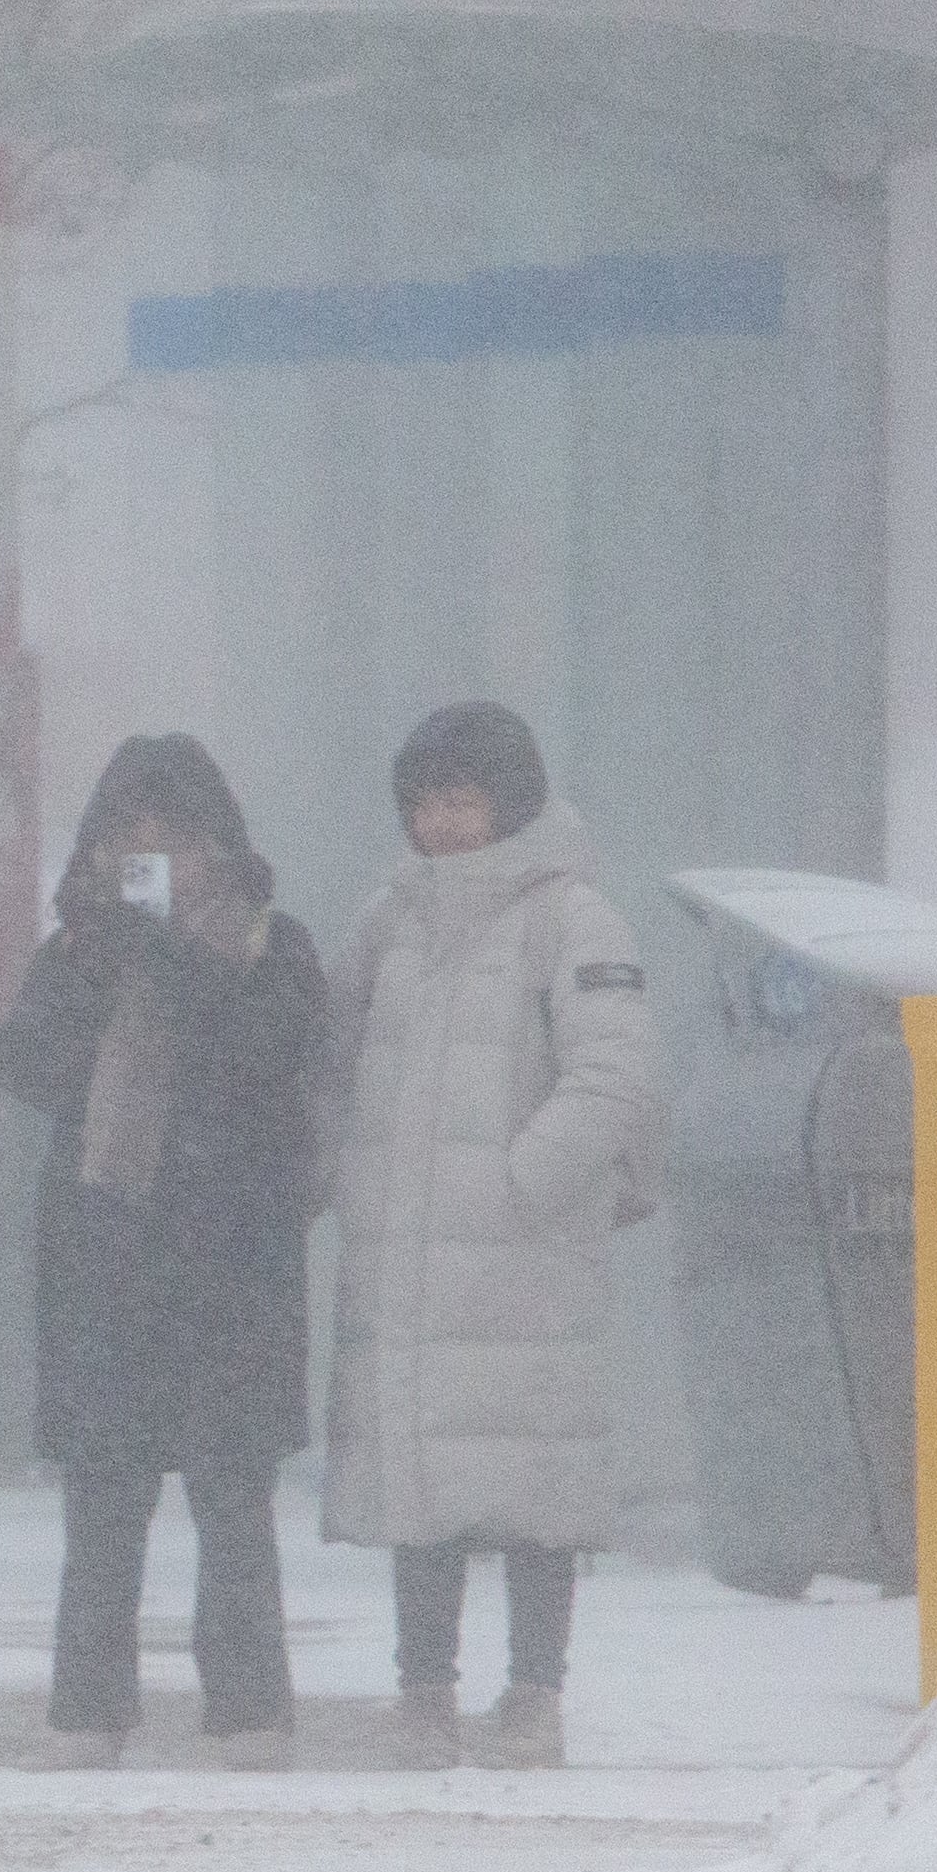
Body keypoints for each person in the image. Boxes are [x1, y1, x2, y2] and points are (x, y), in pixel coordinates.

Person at [322, 701, 666, 1771]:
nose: (441, 822)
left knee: (529, 1491)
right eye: (423, 801)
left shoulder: (572, 918)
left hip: (521, 1259)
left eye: (461, 799)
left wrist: (522, 1182)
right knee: (416, 1482)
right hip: (406, 1255)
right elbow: (329, 1059)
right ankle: (421, 1691)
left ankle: (531, 1693)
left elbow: (614, 1072)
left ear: (507, 802)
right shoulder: (390, 920)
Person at [0, 735, 332, 1770]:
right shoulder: (74, 951)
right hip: (106, 1261)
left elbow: (265, 1057)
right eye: (124, 838)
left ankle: (248, 1712)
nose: (148, 859)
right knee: (101, 1498)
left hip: (232, 1262)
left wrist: (170, 963)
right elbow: (25, 1064)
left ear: (217, 846)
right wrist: (104, 967)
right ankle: (87, 1711)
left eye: (172, 838)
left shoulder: (272, 945)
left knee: (232, 1499)